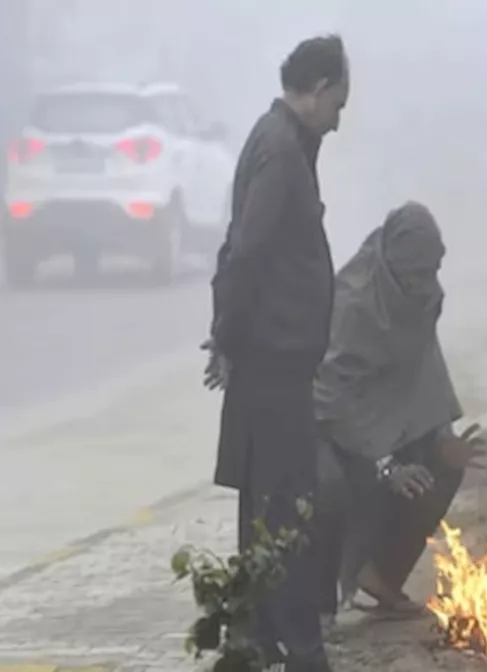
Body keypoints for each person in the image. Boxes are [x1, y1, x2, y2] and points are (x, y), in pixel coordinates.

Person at [202, 34, 350, 672]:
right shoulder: (281, 150)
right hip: (271, 361)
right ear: (317, 91)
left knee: (269, 503)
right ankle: (298, 646)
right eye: (339, 102)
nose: (341, 118)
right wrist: (228, 338)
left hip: (277, 358)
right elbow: (247, 251)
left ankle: (254, 640)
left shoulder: (287, 143)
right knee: (285, 505)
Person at [311, 202, 486, 623]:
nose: (428, 284)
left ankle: (382, 576)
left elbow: (422, 366)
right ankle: (319, 601)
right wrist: (385, 464)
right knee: (332, 486)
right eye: (418, 273)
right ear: (392, 264)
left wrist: (442, 434)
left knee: (443, 466)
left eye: (433, 271)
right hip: (326, 423)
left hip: (381, 421)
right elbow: (331, 397)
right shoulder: (353, 305)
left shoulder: (424, 296)